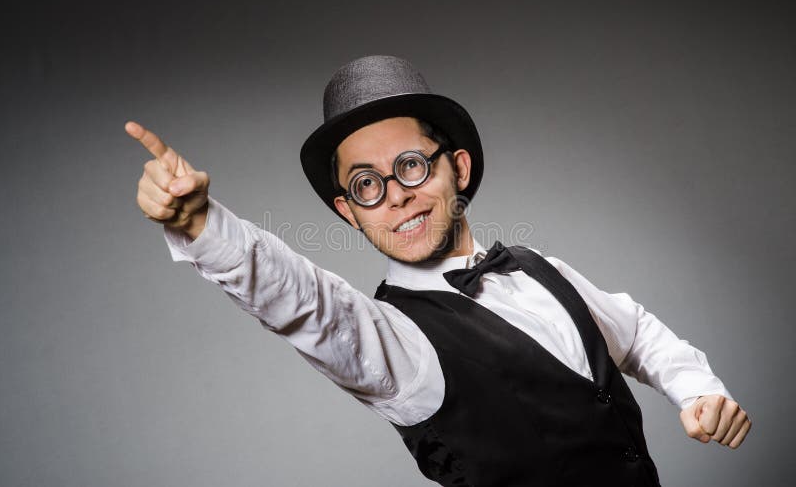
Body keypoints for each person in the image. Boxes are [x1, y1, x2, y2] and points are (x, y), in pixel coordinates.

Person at [127, 55, 751, 486]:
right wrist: (201, 225)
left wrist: (697, 391)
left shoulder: (541, 268)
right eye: (366, 185)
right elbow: (305, 303)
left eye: (410, 166)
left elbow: (634, 331)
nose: (394, 195)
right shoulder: (394, 344)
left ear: (459, 168)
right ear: (349, 212)